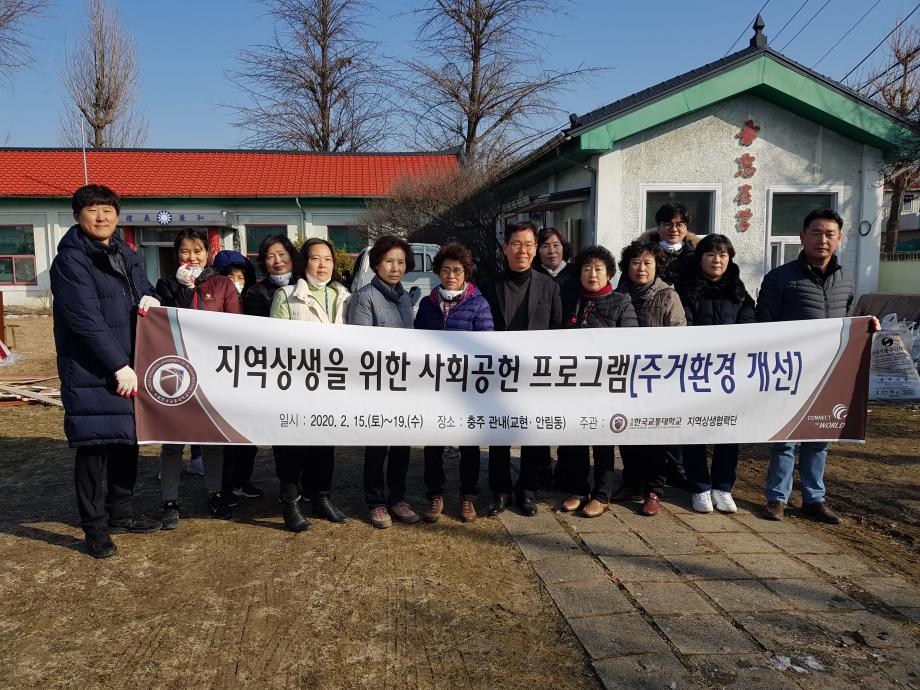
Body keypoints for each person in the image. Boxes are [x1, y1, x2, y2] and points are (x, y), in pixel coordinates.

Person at [50, 184, 162, 558]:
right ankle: (94, 527)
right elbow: (85, 320)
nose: (102, 218)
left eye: (108, 211)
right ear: (77, 216)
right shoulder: (71, 260)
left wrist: (153, 297)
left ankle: (122, 511)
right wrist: (118, 364)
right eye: (93, 211)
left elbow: (144, 288)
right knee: (94, 445)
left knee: (126, 439)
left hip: (133, 362)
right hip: (93, 368)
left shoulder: (124, 252)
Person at [756, 209, 878, 524]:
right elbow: (762, 325)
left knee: (819, 436)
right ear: (802, 237)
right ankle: (777, 498)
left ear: (838, 239)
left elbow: (848, 321)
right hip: (790, 372)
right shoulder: (779, 278)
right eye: (816, 232)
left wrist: (867, 326)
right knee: (785, 437)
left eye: (829, 234)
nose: (822, 240)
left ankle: (814, 498)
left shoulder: (846, 279)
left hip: (829, 372)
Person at [155, 228, 241, 528]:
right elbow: (161, 322)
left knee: (212, 437)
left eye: (198, 251)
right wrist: (184, 290)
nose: (191, 257)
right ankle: (169, 500)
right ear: (176, 254)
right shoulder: (165, 284)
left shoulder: (223, 285)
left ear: (209, 253)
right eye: (185, 252)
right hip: (175, 371)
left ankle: (215, 493)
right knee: (173, 439)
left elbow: (235, 325)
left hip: (212, 371)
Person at [479, 220, 563, 518]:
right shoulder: (488, 285)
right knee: (498, 436)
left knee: (531, 435)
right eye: (517, 244)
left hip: (534, 373)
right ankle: (500, 490)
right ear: (505, 248)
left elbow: (556, 329)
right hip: (497, 373)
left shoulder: (549, 286)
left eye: (529, 244)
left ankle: (527, 491)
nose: (523, 250)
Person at [270, 238, 351, 531]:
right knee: (293, 446)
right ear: (305, 262)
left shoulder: (343, 295)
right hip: (295, 385)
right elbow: (275, 342)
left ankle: (321, 496)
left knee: (324, 445)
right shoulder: (287, 295)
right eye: (316, 259)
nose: (322, 265)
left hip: (331, 384)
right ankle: (290, 502)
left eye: (328, 259)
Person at [414, 242, 494, 523]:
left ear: (466, 273)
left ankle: (468, 497)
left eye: (457, 270)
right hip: (435, 386)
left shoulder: (478, 303)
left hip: (467, 389)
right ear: (438, 272)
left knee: (469, 445)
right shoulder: (427, 304)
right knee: (433, 444)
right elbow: (417, 342)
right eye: (446, 269)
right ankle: (435, 495)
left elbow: (487, 343)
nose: (451, 275)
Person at [675, 234, 755, 514]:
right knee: (694, 430)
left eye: (722, 254)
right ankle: (699, 487)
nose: (717, 260)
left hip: (729, 373)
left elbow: (751, 322)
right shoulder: (685, 289)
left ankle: (723, 486)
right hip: (695, 371)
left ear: (730, 258)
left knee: (729, 431)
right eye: (710, 254)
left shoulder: (739, 290)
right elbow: (684, 324)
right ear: (700, 258)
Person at [557, 246, 638, 517]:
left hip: (605, 384)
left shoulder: (620, 301)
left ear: (609, 274)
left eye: (599, 269)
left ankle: (602, 494)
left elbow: (630, 341)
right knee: (575, 437)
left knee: (603, 439)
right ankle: (578, 489)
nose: (592, 274)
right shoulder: (568, 297)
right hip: (572, 382)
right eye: (587, 268)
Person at [347, 235, 420, 529]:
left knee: (402, 445)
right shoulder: (364, 297)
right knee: (377, 447)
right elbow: (361, 346)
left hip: (404, 384)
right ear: (376, 263)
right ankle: (376, 502)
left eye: (401, 262)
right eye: (389, 261)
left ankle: (398, 498)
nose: (395, 267)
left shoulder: (404, 296)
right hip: (377, 385)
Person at [613, 241, 687, 516]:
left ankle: (654, 490)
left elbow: (679, 336)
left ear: (657, 266)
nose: (641, 268)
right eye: (635, 263)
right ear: (626, 266)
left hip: (657, 377)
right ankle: (631, 482)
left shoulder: (668, 296)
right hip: (625, 375)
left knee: (655, 436)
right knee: (627, 432)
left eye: (647, 263)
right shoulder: (618, 295)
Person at [637, 202, 700, 489]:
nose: (674, 230)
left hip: (684, 335)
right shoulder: (645, 253)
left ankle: (677, 468)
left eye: (680, 225)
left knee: (677, 408)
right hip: (649, 335)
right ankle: (646, 472)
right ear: (657, 226)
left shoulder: (697, 255)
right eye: (667, 224)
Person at [212, 250, 264, 504]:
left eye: (240, 276)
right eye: (230, 276)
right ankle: (226, 487)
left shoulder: (252, 300)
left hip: (250, 379)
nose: (236, 281)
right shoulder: (212, 301)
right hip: (224, 377)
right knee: (228, 441)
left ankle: (242, 481)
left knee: (248, 438)